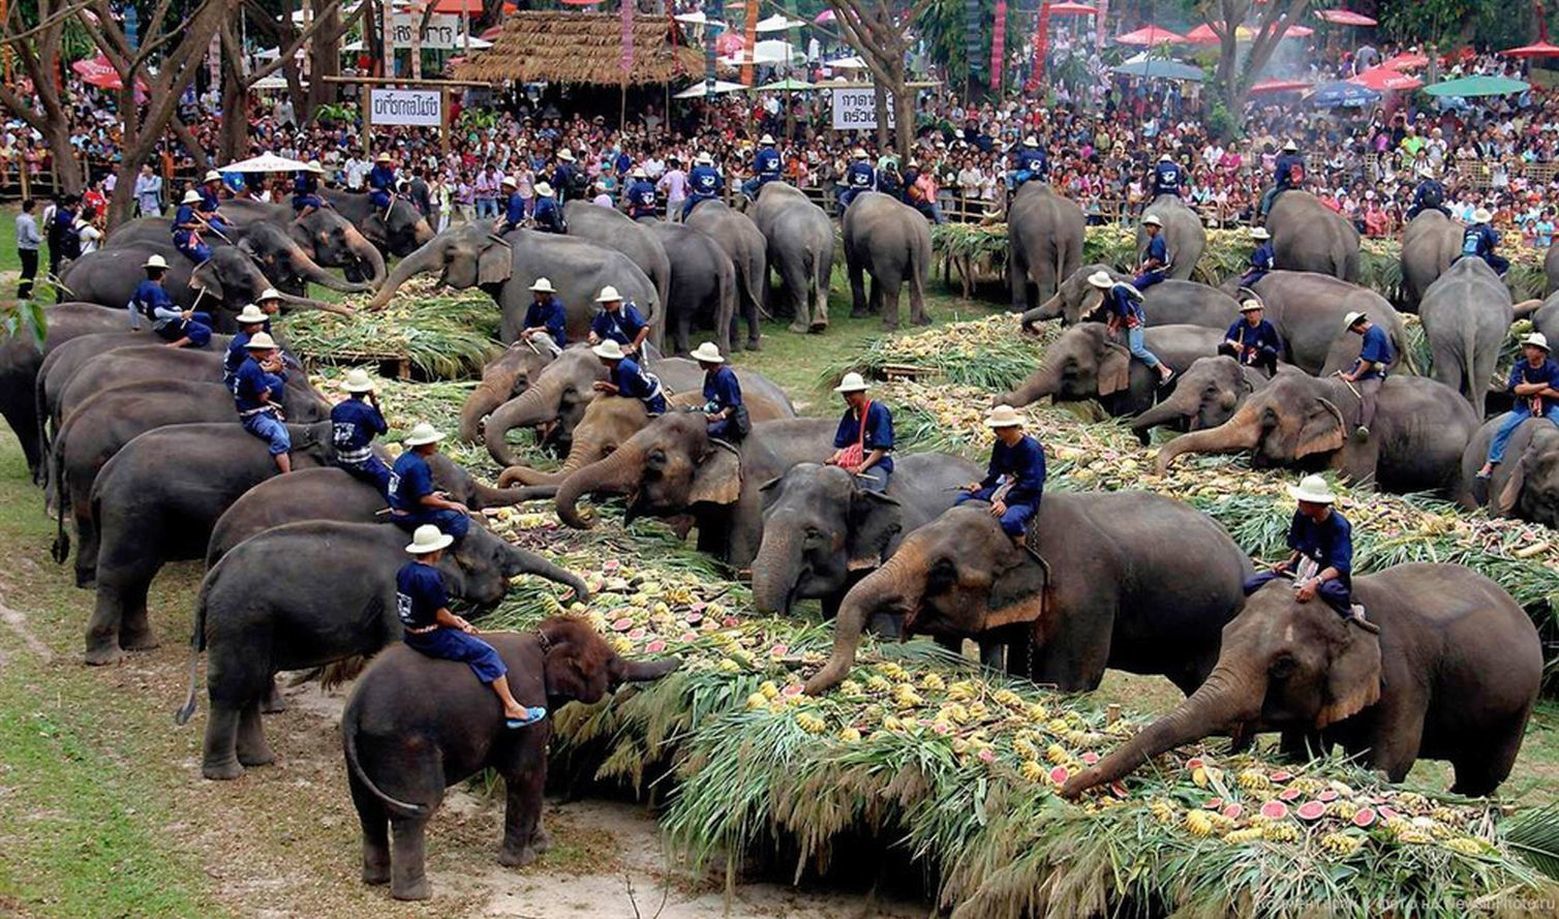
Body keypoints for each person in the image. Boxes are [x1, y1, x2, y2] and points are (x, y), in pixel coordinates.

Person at [396, 524, 547, 730]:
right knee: (486, 653)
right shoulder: (430, 577)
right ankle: (512, 706)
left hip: (409, 633)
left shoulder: (405, 570)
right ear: (436, 551)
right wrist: (459, 622)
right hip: (431, 637)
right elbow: (440, 615)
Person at [1242, 475, 1372, 630]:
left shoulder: (1339, 527)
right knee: (1251, 585)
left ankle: (1350, 613)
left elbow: (1339, 565)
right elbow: (1302, 544)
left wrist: (1315, 582)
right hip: (1302, 566)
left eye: (1303, 501)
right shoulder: (1302, 515)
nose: (1299, 504)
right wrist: (1289, 562)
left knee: (1330, 591)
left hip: (1326, 573)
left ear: (1317, 505)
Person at [955, 404, 1046, 548]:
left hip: (1024, 495)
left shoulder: (1031, 449)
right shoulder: (1001, 444)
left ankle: (1022, 547)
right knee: (963, 499)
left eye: (998, 429)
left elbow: (1033, 483)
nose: (996, 433)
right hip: (1003, 486)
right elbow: (995, 471)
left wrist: (1007, 501)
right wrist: (982, 485)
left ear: (1010, 428)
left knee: (1010, 521)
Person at [1478, 332, 1559, 479]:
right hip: (1523, 407)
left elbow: (1557, 393)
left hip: (1549, 406)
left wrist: (1531, 387)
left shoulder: (1552, 368)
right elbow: (1517, 389)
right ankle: (1491, 462)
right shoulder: (1520, 366)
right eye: (1527, 347)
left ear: (1541, 352)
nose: (1528, 350)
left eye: (1532, 348)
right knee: (1504, 429)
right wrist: (1545, 386)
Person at [389, 421, 471, 540]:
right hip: (408, 516)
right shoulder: (418, 465)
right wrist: (450, 505)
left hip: (397, 510)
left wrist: (432, 495)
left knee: (439, 502)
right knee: (459, 518)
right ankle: (444, 547)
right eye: (433, 442)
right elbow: (424, 500)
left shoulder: (404, 458)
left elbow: (409, 488)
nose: (435, 445)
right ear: (425, 445)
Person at [1090, 271, 1174, 386]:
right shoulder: (1106, 293)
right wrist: (1109, 326)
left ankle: (1164, 370)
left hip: (1134, 320)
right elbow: (1110, 312)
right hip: (1124, 321)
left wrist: (1114, 327)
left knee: (1136, 349)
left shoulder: (1117, 291)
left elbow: (1122, 313)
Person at [233, 332, 291, 474]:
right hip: (253, 415)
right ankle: (287, 474)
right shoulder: (253, 369)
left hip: (257, 409)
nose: (270, 352)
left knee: (284, 430)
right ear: (257, 350)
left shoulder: (250, 364)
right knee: (281, 438)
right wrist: (270, 389)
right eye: (266, 350)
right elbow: (263, 397)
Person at [825, 372, 894, 492]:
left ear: (862, 392)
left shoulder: (879, 412)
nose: (847, 398)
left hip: (876, 462)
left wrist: (860, 468)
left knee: (873, 491)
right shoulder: (849, 414)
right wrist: (835, 459)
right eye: (845, 395)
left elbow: (881, 449)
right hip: (853, 462)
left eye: (851, 394)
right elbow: (844, 445)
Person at [331, 368, 392, 497]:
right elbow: (383, 430)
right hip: (360, 460)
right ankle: (396, 508)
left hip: (341, 457)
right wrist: (375, 404)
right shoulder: (366, 411)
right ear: (366, 391)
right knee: (386, 478)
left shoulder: (337, 408)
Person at [131, 254, 212, 348]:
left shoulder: (143, 286)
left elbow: (132, 306)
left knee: (205, 317)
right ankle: (175, 345)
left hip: (163, 320)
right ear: (162, 273)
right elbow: (159, 312)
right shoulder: (156, 290)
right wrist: (181, 315)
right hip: (166, 325)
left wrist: (135, 327)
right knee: (204, 331)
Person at [1338, 310, 1393, 440]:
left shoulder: (1374, 335)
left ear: (1357, 326)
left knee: (1368, 393)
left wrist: (1353, 376)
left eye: (1353, 330)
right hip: (1367, 368)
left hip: (1375, 372)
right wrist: (1351, 372)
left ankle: (1365, 425)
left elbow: (1368, 360)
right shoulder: (1370, 333)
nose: (1355, 333)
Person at [591, 339, 666, 415]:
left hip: (650, 397)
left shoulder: (624, 368)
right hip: (636, 388)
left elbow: (625, 392)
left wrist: (606, 385)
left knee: (657, 421)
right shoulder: (615, 366)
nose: (599, 357)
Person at [690, 342, 744, 442]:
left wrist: (719, 416)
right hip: (714, 409)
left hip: (729, 416)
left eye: (701, 360)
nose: (698, 362)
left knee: (712, 431)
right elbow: (710, 397)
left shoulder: (726, 377)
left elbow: (733, 405)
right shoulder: (709, 374)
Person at [1219, 299, 1282, 375]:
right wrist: (1234, 344)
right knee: (1224, 347)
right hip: (1242, 355)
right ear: (1245, 314)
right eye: (1248, 312)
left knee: (1269, 351)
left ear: (1259, 312)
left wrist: (1261, 352)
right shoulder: (1239, 324)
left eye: (1254, 311)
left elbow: (1275, 345)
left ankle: (1272, 374)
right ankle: (1227, 371)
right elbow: (1228, 339)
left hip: (1258, 357)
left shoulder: (1266, 326)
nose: (1251, 314)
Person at [588, 285, 650, 356]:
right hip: (607, 349)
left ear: (617, 301)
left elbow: (645, 328)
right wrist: (593, 335)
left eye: (609, 303)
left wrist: (634, 346)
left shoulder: (627, 310)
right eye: (604, 303)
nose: (606, 305)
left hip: (625, 349)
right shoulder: (603, 314)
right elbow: (594, 329)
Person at [223, 303, 270, 391]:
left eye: (260, 323)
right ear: (248, 326)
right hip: (235, 376)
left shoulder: (250, 336)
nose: (260, 326)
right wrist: (271, 367)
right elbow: (251, 368)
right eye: (256, 324)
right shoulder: (243, 344)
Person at [520, 277, 567, 355]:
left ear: (545, 294)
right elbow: (528, 322)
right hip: (534, 333)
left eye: (538, 293)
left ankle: (558, 352)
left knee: (538, 336)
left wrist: (531, 331)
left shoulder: (557, 307)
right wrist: (527, 332)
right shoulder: (533, 307)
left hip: (553, 337)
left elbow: (551, 327)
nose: (534, 295)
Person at [1259, 140, 1305, 219]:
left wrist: (1278, 183)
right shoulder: (1300, 161)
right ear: (1294, 151)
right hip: (1298, 186)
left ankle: (1263, 215)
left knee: (1268, 196)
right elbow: (1303, 175)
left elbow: (1278, 177)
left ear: (1285, 151)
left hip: (1285, 186)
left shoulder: (1282, 161)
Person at [1459, 207, 1508, 275]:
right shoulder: (1487, 229)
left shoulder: (1469, 228)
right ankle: (1494, 277)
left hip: (1465, 255)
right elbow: (1493, 243)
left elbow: (1464, 242)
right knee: (1505, 263)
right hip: (1482, 256)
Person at [172, 189, 212, 263]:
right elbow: (182, 223)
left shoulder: (191, 209)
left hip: (188, 234)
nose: (199, 203)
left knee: (209, 249)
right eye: (197, 201)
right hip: (183, 236)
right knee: (204, 255)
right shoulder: (186, 209)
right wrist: (198, 226)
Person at [1134, 214, 1170, 292]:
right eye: (1147, 227)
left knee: (1134, 286)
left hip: (1155, 273)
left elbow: (1156, 260)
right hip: (1152, 271)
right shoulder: (1154, 240)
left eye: (1150, 227)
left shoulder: (1157, 241)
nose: (1148, 229)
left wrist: (1143, 269)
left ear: (1156, 228)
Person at [741, 134, 782, 201]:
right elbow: (780, 168)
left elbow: (756, 168)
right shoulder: (777, 154)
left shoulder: (761, 154)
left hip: (763, 179)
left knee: (745, 187)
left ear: (763, 144)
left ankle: (753, 201)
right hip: (775, 179)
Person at [684, 152, 722, 219]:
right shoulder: (714, 171)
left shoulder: (696, 170)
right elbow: (719, 185)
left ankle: (685, 221)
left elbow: (691, 183)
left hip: (698, 196)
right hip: (711, 196)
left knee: (686, 209)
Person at [16, 198, 39, 300]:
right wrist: (40, 238)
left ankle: (22, 291)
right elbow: (32, 236)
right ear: (31, 208)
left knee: (25, 270)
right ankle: (26, 292)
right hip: (30, 249)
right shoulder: (30, 221)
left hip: (21, 247)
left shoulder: (19, 218)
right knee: (30, 272)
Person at [839, 148, 875, 212]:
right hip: (867, 189)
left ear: (856, 158)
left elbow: (850, 179)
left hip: (856, 189)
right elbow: (872, 181)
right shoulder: (869, 168)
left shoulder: (853, 167)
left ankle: (846, 212)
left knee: (843, 197)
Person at [197, 170, 231, 235]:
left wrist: (224, 218)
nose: (219, 183)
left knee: (231, 225)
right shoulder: (201, 192)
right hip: (206, 219)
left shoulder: (213, 193)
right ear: (210, 182)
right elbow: (192, 207)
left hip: (214, 216)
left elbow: (215, 209)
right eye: (216, 181)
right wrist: (202, 214)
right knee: (224, 230)